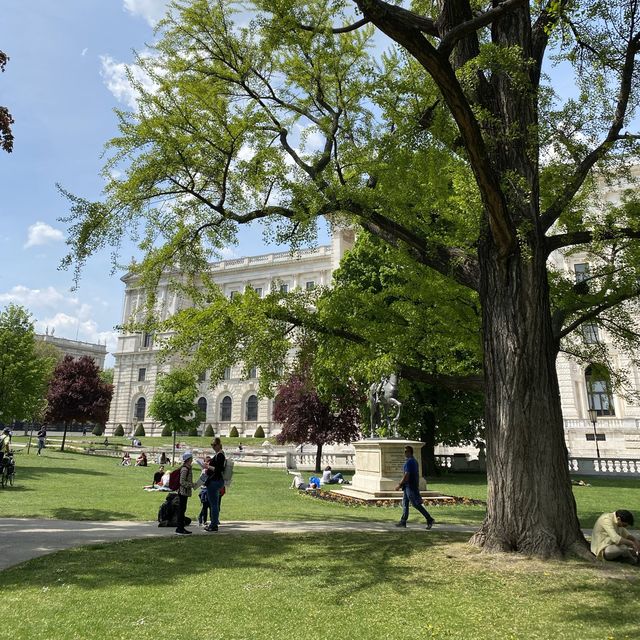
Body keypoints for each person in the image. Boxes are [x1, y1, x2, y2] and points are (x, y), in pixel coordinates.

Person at [395, 445, 435, 530]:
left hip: (410, 486)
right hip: (408, 486)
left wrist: (399, 484)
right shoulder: (414, 461)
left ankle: (429, 519)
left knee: (416, 504)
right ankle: (403, 521)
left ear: (410, 452)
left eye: (406, 451)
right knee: (405, 503)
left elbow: (407, 475)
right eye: (404, 451)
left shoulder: (410, 462)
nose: (404, 453)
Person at [203, 437, 225, 532]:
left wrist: (208, 466)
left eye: (214, 445)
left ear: (219, 444)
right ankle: (214, 523)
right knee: (214, 504)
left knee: (214, 504)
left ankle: (213, 524)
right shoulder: (218, 454)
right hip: (216, 481)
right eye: (212, 445)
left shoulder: (220, 455)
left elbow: (219, 469)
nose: (213, 447)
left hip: (215, 481)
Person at [176, 451, 197, 535]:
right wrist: (191, 485)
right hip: (182, 492)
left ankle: (180, 527)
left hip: (185, 492)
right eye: (191, 458)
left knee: (183, 509)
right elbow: (182, 481)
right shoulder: (185, 469)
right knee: (181, 510)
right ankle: (180, 528)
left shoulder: (188, 468)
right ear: (188, 459)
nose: (192, 459)